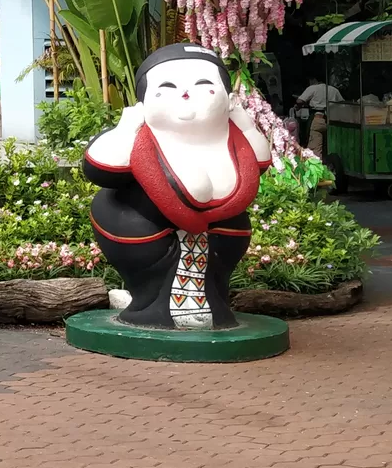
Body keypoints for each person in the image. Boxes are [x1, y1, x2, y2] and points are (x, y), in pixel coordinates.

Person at [82, 43, 271, 330]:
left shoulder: (235, 137)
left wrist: (246, 128)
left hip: (221, 231)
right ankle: (148, 303)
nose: (185, 93)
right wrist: (126, 128)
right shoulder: (138, 136)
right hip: (145, 229)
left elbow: (260, 161)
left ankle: (213, 299)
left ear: (230, 100)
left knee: (226, 244)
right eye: (167, 87)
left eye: (203, 84)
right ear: (143, 104)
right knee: (123, 216)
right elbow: (100, 166)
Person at [294, 76, 343, 155]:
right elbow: (342, 103)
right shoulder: (334, 90)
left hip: (317, 118)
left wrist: (301, 105)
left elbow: (299, 101)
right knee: (331, 148)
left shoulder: (313, 88)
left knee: (315, 150)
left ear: (313, 79)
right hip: (331, 121)